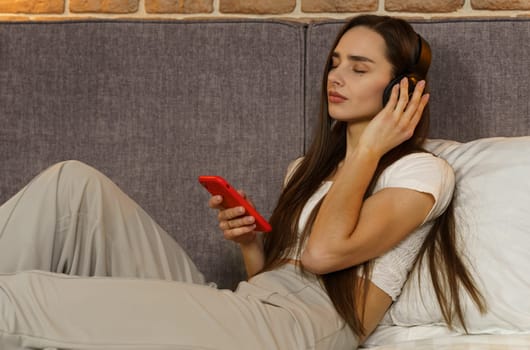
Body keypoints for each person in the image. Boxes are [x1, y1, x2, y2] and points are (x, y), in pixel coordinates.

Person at [0, 15, 485, 350]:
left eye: (359, 68)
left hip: (306, 330)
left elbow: (322, 257)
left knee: (21, 300)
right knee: (71, 185)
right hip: (250, 308)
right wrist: (253, 245)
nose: (336, 77)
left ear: (404, 89)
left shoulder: (421, 171)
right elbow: (273, 279)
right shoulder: (307, 167)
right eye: (335, 63)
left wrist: (369, 148)